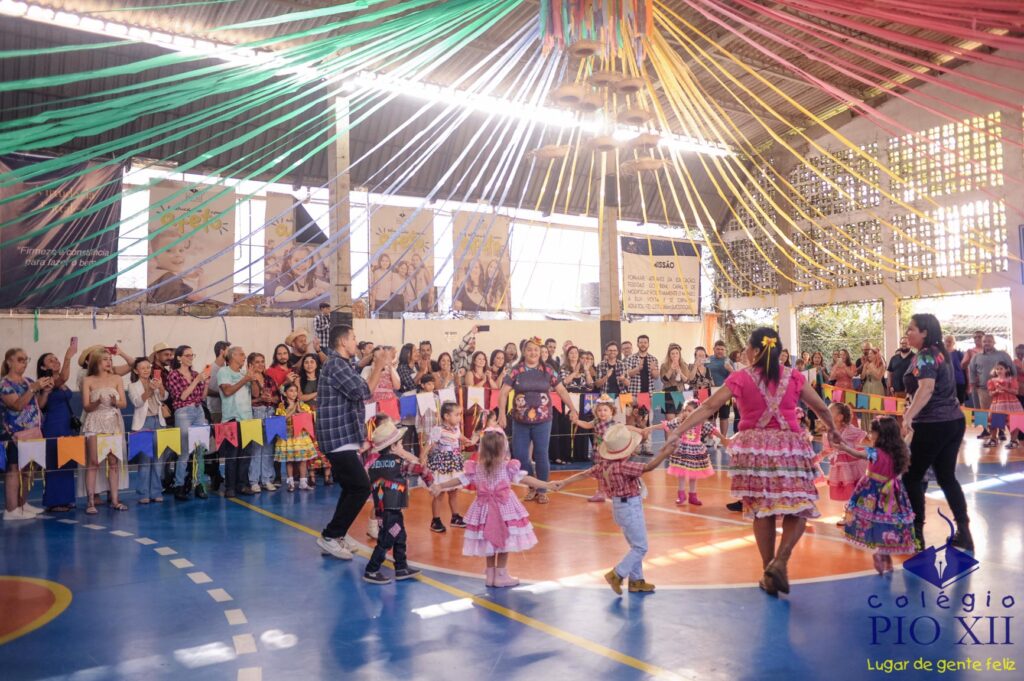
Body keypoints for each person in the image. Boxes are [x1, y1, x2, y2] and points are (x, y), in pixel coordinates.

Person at [659, 327, 837, 596]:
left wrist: (677, 431)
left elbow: (708, 407)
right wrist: (833, 430)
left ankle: (768, 571)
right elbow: (820, 407)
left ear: (753, 351)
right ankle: (781, 561)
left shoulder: (741, 377)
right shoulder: (794, 376)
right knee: (799, 506)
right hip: (790, 447)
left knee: (762, 510)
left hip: (755, 450)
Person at [550, 423, 677, 595]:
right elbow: (649, 467)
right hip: (631, 506)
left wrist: (564, 482)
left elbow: (584, 474)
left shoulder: (604, 465)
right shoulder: (624, 466)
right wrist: (666, 453)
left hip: (619, 507)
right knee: (640, 547)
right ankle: (617, 574)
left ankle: (637, 581)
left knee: (635, 545)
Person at [430, 429, 547, 587]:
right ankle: (501, 575)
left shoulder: (477, 468)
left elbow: (459, 480)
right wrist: (547, 485)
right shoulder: (507, 467)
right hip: (505, 508)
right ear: (503, 449)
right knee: (505, 539)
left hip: (483, 509)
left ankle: (490, 575)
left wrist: (440, 486)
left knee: (488, 540)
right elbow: (526, 479)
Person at [902, 313, 972, 552]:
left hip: (933, 423)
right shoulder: (941, 353)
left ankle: (916, 536)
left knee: (911, 477)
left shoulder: (925, 355)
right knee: (946, 477)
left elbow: (926, 388)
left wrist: (908, 416)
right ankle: (964, 532)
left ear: (924, 332)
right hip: (953, 421)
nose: (908, 332)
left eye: (911, 328)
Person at [496, 337, 579, 504]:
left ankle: (542, 489)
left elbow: (562, 390)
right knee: (520, 455)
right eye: (529, 350)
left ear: (540, 352)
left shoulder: (548, 370)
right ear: (524, 352)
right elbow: (503, 392)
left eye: (536, 350)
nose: (533, 353)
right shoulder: (516, 370)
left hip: (543, 420)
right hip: (520, 421)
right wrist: (502, 414)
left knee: (541, 454)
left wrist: (573, 408)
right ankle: (532, 485)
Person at [316, 325, 373, 561]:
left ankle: (338, 533)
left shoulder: (343, 364)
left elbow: (357, 382)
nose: (356, 342)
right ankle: (331, 535)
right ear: (342, 342)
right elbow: (362, 392)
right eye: (353, 338)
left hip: (345, 436)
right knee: (361, 487)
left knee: (352, 487)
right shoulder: (335, 365)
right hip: (336, 436)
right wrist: (379, 365)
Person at [833, 417, 916, 574]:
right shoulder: (900, 451)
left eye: (872, 432)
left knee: (875, 521)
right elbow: (907, 441)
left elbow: (857, 454)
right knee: (888, 522)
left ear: (881, 434)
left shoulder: (875, 452)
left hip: (873, 491)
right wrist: (911, 432)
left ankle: (881, 553)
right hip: (894, 492)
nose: (870, 435)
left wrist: (843, 447)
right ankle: (885, 554)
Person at [362, 417, 426, 584]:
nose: (402, 446)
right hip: (393, 508)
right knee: (388, 538)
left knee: (399, 535)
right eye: (399, 444)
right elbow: (418, 467)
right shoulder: (399, 463)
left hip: (383, 508)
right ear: (392, 447)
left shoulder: (374, 465)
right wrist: (432, 483)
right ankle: (372, 569)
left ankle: (401, 567)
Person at [2, 348, 51, 520]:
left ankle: (22, 503)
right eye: (20, 360)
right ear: (9, 362)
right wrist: (33, 388)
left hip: (33, 431)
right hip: (13, 433)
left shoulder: (28, 381)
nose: (24, 363)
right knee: (14, 468)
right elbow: (16, 405)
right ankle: (11, 509)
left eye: (26, 360)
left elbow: (39, 405)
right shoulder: (4, 384)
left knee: (29, 467)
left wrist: (45, 391)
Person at [81, 350, 128, 514]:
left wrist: (116, 402)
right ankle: (90, 501)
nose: (109, 362)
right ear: (96, 362)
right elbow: (86, 407)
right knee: (93, 462)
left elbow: (124, 403)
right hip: (95, 421)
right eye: (105, 360)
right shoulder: (88, 380)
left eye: (110, 359)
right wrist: (96, 403)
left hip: (113, 422)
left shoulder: (117, 378)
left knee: (113, 462)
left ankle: (115, 500)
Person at [659, 399, 730, 506]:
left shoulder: (701, 422)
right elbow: (667, 425)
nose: (686, 413)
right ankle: (681, 495)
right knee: (681, 473)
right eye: (685, 410)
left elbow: (713, 430)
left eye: (689, 410)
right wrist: (649, 429)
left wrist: (723, 439)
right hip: (683, 449)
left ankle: (693, 495)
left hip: (696, 450)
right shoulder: (680, 421)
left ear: (696, 412)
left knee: (693, 474)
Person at [165, 345, 211, 501]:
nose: (191, 358)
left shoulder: (195, 374)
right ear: (179, 358)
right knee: (184, 451)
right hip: (183, 412)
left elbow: (202, 397)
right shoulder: (173, 375)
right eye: (187, 355)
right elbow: (182, 396)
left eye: (192, 355)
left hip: (198, 410)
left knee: (199, 450)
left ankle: (199, 484)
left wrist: (205, 383)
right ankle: (179, 485)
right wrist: (197, 381)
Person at [424, 402, 477, 533]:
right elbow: (429, 445)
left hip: (454, 463)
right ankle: (435, 520)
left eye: (460, 414)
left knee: (453, 491)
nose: (459, 417)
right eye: (457, 415)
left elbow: (461, 438)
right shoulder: (438, 429)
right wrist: (421, 459)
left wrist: (468, 441)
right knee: (440, 493)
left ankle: (455, 517)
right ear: (446, 416)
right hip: (442, 464)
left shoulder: (456, 428)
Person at [37, 344, 77, 512]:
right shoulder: (46, 382)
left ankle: (66, 498)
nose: (55, 361)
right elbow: (63, 379)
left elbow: (63, 379)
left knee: (67, 460)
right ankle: (54, 501)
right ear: (43, 367)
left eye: (56, 358)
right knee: (55, 461)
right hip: (54, 424)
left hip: (66, 424)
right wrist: (68, 357)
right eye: (50, 360)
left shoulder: (60, 379)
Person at [219, 346, 258, 496]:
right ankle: (230, 487)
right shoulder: (224, 371)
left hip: (247, 418)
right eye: (241, 354)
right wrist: (245, 379)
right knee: (232, 455)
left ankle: (243, 484)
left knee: (246, 454)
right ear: (232, 356)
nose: (244, 356)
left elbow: (255, 394)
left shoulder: (244, 373)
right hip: (231, 418)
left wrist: (253, 379)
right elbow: (227, 391)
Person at [128, 357, 168, 504]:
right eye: (143, 368)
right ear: (136, 371)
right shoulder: (132, 386)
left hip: (159, 421)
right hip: (142, 423)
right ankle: (143, 493)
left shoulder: (155, 381)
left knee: (158, 459)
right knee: (144, 460)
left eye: (148, 367)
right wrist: (150, 389)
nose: (146, 370)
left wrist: (160, 386)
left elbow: (164, 397)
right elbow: (137, 402)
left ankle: (156, 492)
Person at [572, 394, 623, 502]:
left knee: (612, 473)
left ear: (612, 411)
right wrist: (577, 421)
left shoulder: (615, 424)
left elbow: (621, 437)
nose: (602, 412)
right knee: (600, 473)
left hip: (610, 453)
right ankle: (600, 492)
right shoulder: (596, 422)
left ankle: (616, 491)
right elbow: (586, 425)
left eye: (605, 410)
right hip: (598, 452)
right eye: (599, 410)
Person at [821, 402, 867, 520]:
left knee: (854, 489)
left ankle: (855, 512)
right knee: (847, 490)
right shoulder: (829, 433)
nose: (827, 413)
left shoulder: (849, 430)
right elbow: (827, 451)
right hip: (839, 468)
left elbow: (863, 438)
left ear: (839, 417)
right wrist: (817, 458)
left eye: (830, 412)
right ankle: (848, 512)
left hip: (852, 466)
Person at [969, 334, 1015, 440]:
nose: (987, 343)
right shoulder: (976, 357)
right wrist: (972, 384)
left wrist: (1012, 384)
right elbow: (971, 371)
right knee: (984, 411)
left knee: (999, 411)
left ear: (994, 342)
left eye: (989, 341)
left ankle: (1001, 431)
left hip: (1001, 390)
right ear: (982, 343)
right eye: (985, 341)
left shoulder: (1003, 355)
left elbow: (1012, 369)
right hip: (983, 389)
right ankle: (987, 431)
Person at [275, 382, 318, 491]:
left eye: (295, 391)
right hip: (288, 436)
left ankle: (303, 482)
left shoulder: (302, 405)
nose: (294, 393)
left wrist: (300, 411)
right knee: (289, 460)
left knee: (302, 459)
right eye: (291, 391)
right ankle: (291, 482)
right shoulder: (281, 406)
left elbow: (308, 417)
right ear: (285, 393)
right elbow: (282, 419)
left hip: (300, 436)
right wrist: (293, 409)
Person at [247, 352, 280, 492]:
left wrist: (271, 399)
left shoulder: (269, 379)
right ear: (250, 364)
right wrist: (253, 379)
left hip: (270, 413)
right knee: (256, 448)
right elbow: (252, 396)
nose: (260, 364)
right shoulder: (247, 379)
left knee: (268, 447)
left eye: (262, 361)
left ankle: (267, 479)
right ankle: (254, 480)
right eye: (257, 362)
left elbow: (278, 398)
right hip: (255, 413)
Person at [557, 346, 592, 464]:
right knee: (567, 426)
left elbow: (590, 386)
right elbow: (563, 383)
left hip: (582, 399)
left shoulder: (583, 369)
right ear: (567, 355)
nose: (573, 355)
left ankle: (581, 455)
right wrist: (575, 373)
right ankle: (566, 456)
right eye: (571, 353)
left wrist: (586, 370)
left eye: (576, 353)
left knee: (581, 425)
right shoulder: (563, 368)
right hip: (568, 398)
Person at [986, 362, 1021, 448]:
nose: (999, 371)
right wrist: (996, 391)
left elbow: (1016, 392)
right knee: (993, 421)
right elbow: (990, 393)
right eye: (997, 369)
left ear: (1006, 370)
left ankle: (1014, 440)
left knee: (1013, 421)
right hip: (998, 403)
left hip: (1011, 403)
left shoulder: (1011, 380)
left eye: (1001, 369)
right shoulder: (992, 381)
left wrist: (1004, 388)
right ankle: (993, 439)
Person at [705, 340, 734, 436]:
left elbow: (736, 376)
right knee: (711, 416)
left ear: (725, 350)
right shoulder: (707, 359)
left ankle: (723, 438)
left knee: (724, 416)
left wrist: (730, 369)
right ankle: (711, 438)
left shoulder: (728, 361)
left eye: (722, 349)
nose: (720, 351)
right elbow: (700, 371)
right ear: (714, 349)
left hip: (725, 392)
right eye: (718, 349)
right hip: (710, 391)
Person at [660, 343, 688, 421]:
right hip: (668, 394)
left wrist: (680, 372)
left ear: (679, 355)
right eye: (672, 353)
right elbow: (664, 380)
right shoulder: (664, 366)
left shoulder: (684, 365)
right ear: (669, 355)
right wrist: (671, 369)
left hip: (679, 394)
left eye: (676, 353)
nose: (675, 355)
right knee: (670, 422)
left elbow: (687, 381)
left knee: (679, 421)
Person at [206, 340, 231, 423]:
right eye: (228, 351)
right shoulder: (208, 368)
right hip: (214, 410)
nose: (230, 353)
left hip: (228, 410)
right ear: (221, 351)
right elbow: (204, 390)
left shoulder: (228, 369)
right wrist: (222, 394)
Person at [961, 330, 985, 409]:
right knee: (976, 411)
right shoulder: (970, 351)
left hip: (989, 387)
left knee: (989, 411)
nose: (977, 339)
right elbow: (962, 366)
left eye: (979, 337)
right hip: (974, 386)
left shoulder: (990, 351)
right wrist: (969, 359)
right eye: (975, 337)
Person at [945, 336, 967, 405]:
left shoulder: (959, 354)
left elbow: (966, 369)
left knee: (960, 402)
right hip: (945, 383)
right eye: (946, 341)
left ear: (954, 343)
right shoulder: (940, 354)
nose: (947, 343)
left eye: (949, 341)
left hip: (959, 381)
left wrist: (968, 384)